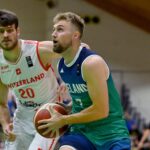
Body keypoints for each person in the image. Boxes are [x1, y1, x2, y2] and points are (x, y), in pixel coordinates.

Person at [38, 12, 131, 150]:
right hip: (82, 132)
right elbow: (82, 99)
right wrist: (65, 108)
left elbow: (101, 110)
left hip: (111, 134)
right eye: (54, 29)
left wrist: (63, 120)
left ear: (75, 35)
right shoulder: (62, 65)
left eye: (60, 29)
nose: (53, 34)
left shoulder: (91, 63)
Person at [0, 9, 74, 150]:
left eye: (9, 30)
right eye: (1, 31)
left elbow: (80, 49)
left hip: (50, 113)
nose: (5, 35)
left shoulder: (38, 50)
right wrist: (5, 124)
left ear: (18, 31)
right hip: (22, 117)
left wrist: (68, 78)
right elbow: (1, 103)